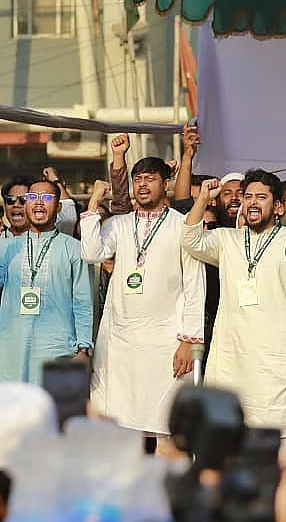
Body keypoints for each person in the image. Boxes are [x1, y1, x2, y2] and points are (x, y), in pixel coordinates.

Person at [182, 171, 286, 469]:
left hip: (277, 354)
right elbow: (190, 238)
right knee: (227, 426)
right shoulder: (226, 239)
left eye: (261, 197)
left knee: (280, 428)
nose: (253, 203)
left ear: (278, 206)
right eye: (248, 197)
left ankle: (283, 492)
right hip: (231, 354)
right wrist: (203, 198)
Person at [80, 158, 206, 443]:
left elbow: (195, 285)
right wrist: (94, 202)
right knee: (118, 422)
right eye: (137, 179)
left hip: (166, 340)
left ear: (166, 184)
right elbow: (91, 253)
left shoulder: (182, 224)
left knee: (165, 425)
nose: (142, 185)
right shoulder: (120, 224)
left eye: (150, 178)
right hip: (120, 341)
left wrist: (189, 340)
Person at [0, 179, 93, 384]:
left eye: (47, 197)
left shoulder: (74, 249)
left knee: (51, 404)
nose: (39, 202)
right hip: (10, 349)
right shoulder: (6, 247)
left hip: (57, 349)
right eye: (33, 197)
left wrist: (83, 347)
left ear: (58, 207)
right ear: (26, 205)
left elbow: (83, 300)